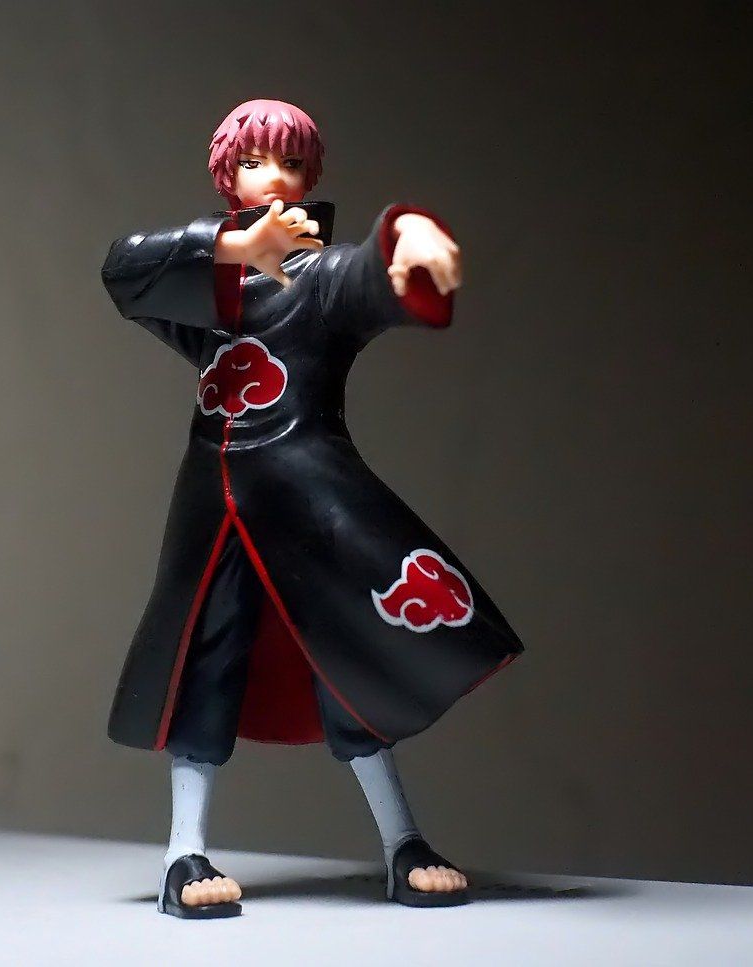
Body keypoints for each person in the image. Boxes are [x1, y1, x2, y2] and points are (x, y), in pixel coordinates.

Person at [101, 98, 523, 918]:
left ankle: (403, 841)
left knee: (350, 665)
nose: (274, 177)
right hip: (212, 508)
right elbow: (124, 270)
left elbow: (369, 276)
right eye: (254, 162)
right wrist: (231, 249)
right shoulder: (209, 288)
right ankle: (183, 852)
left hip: (311, 502)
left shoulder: (320, 279)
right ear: (227, 176)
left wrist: (407, 242)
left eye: (290, 163)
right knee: (201, 668)